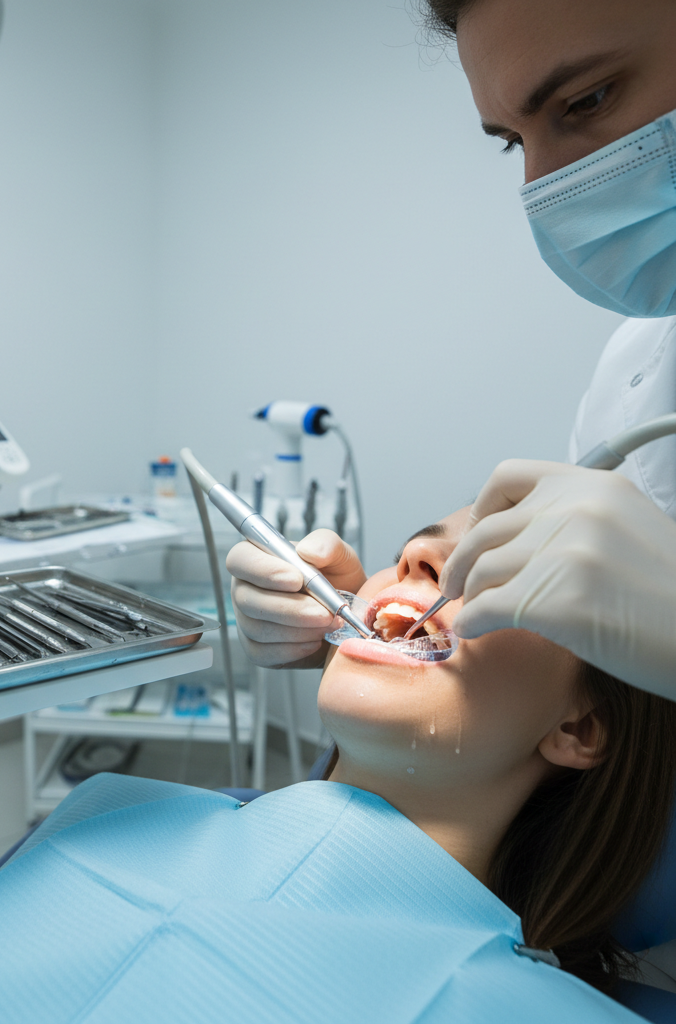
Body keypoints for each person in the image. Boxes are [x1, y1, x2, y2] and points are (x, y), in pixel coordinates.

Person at [0, 519, 676, 1022]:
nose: (421, 557)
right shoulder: (112, 814)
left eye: (504, 563)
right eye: (419, 544)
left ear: (583, 727)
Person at [229, 0, 676, 698]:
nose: (541, 185)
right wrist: (351, 645)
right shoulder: (635, 376)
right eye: (510, 142)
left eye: (587, 100)